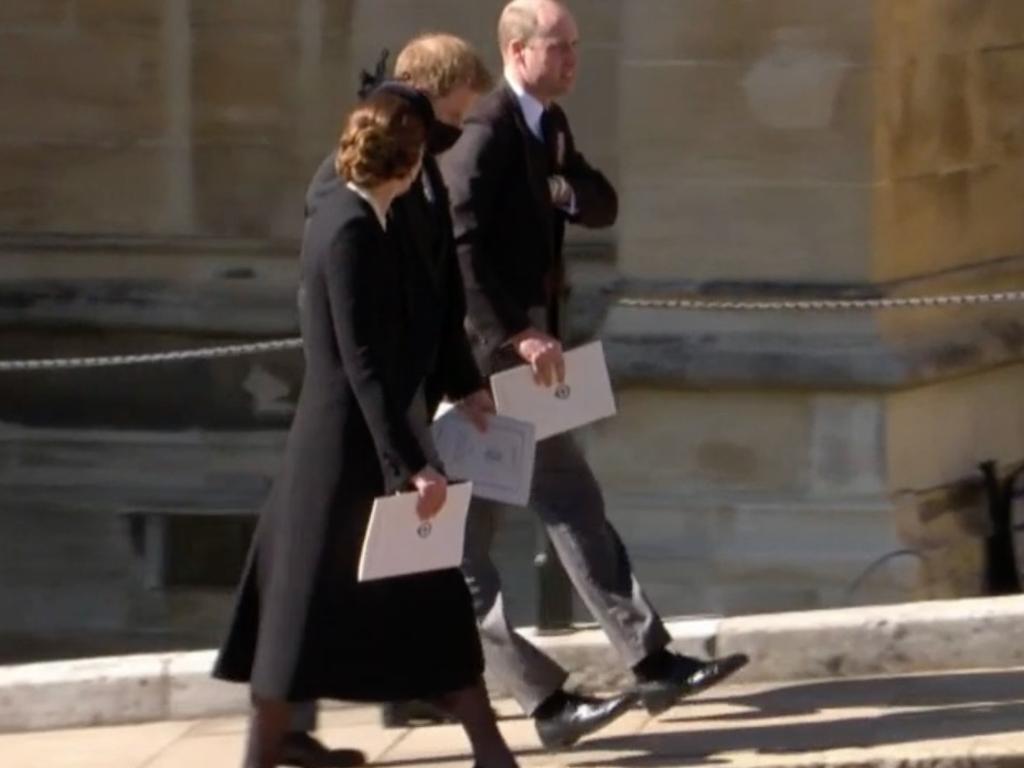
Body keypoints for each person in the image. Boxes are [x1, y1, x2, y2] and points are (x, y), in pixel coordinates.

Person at [441, 0, 750, 750]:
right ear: (518, 51)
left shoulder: (549, 127)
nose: (575, 59)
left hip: (532, 362)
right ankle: (553, 694)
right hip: (487, 371)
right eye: (561, 47)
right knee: (458, 554)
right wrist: (511, 335)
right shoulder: (484, 136)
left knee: (568, 504)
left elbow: (601, 202)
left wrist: (561, 190)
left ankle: (644, 662)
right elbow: (463, 250)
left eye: (577, 46)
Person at [213, 91, 520, 768]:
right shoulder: (347, 226)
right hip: (338, 454)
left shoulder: (372, 218)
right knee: (296, 620)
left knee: (431, 602)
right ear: (406, 165)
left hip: (372, 443)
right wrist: (412, 461)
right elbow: (362, 362)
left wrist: (453, 395)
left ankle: (491, 751)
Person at [283, 35, 501, 762]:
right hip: (360, 425)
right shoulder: (346, 194)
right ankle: (281, 731)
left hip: (403, 409)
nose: (457, 133)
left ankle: (466, 726)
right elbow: (356, 338)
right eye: (454, 117)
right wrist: (406, 452)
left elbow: (439, 297)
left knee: (411, 578)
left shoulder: (424, 178)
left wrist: (464, 380)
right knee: (316, 579)